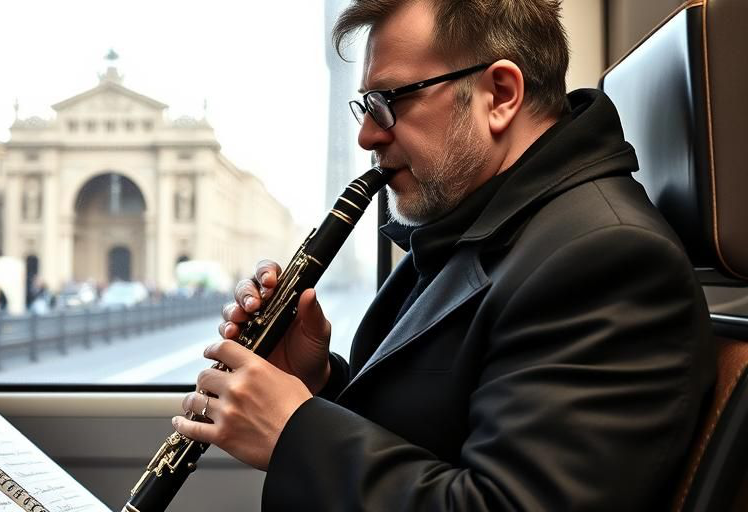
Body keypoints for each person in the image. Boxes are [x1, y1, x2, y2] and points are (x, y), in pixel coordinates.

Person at [171, 1, 716, 510]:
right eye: (365, 105)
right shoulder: (479, 226)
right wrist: (313, 385)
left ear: (500, 94)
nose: (366, 135)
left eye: (389, 102)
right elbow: (432, 434)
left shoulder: (610, 260)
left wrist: (296, 431)